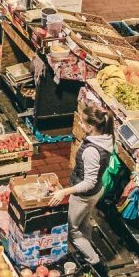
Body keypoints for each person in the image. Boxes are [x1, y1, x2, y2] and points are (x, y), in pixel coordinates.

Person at [49, 100, 114, 265]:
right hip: (95, 192)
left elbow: (89, 182)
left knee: (72, 230)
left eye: (82, 122)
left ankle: (93, 260)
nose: (79, 123)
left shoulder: (92, 151)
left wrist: (64, 191)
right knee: (84, 221)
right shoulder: (105, 137)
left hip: (84, 195)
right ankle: (88, 249)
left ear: (91, 127)